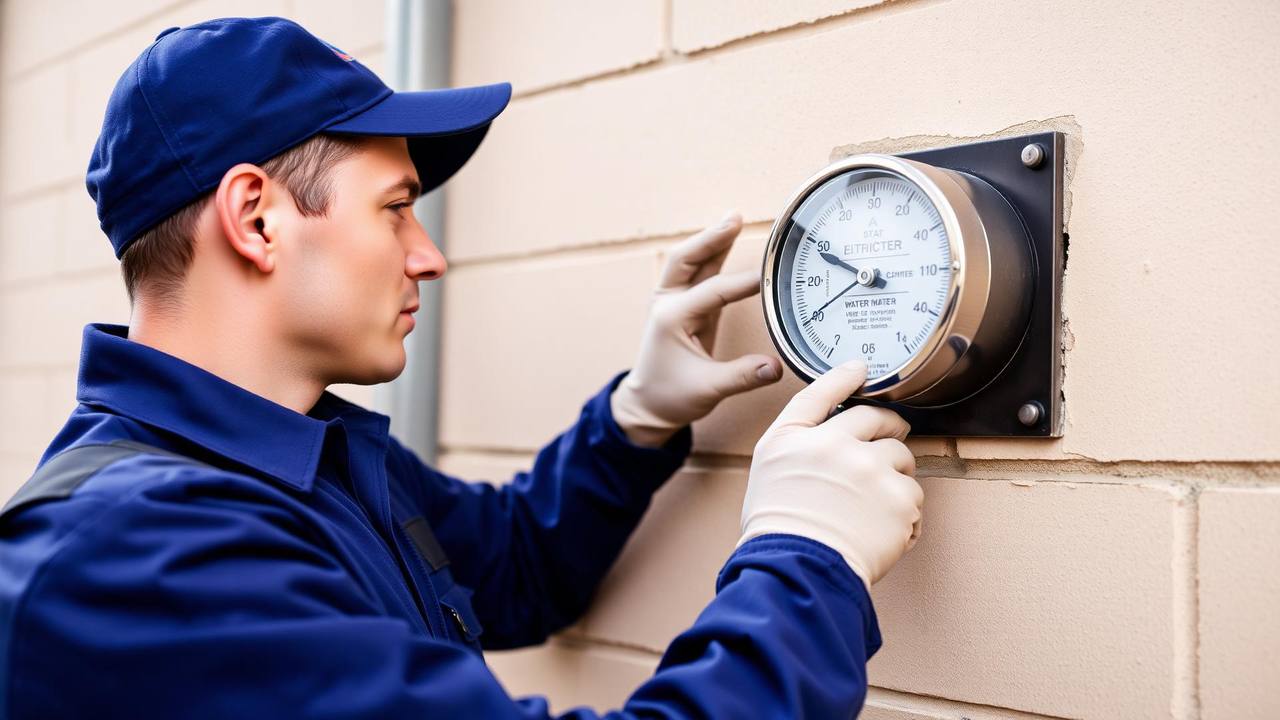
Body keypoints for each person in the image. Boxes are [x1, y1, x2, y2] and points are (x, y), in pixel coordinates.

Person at [0, 16, 922, 719]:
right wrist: (809, 558)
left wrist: (634, 421)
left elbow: (512, 570)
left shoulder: (301, 457)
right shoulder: (138, 558)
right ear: (257, 219)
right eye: (395, 207)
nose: (429, 255)